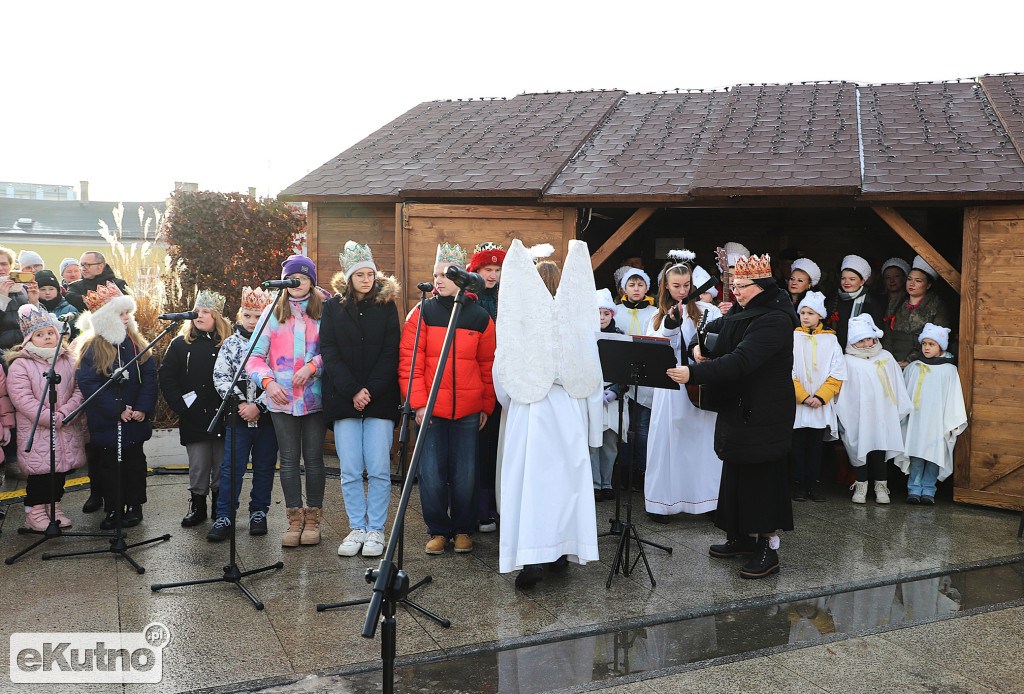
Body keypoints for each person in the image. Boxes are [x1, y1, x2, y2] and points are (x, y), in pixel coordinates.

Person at [667, 254, 798, 580]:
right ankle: (739, 536)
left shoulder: (776, 318)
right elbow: (716, 328)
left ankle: (768, 548)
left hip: (765, 409)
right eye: (733, 285)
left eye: (742, 286)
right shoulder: (745, 308)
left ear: (762, 285)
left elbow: (742, 360)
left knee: (762, 475)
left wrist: (695, 372)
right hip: (739, 404)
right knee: (737, 469)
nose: (735, 292)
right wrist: (702, 346)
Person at [493, 239, 601, 589]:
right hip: (568, 407)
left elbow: (503, 369)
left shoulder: (521, 319)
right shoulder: (578, 319)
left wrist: (513, 403)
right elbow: (592, 369)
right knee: (565, 484)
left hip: (532, 410)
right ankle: (561, 551)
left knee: (531, 485)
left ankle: (531, 559)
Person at [399, 242, 495, 555]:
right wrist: (419, 403)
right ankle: (439, 530)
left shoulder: (480, 317)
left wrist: (486, 404)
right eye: (435, 274)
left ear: (461, 278)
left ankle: (464, 530)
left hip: (468, 410)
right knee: (432, 474)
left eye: (445, 275)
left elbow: (488, 366)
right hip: (431, 410)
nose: (438, 280)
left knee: (466, 474)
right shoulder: (423, 313)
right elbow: (410, 362)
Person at [321, 241, 401, 559]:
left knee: (380, 468)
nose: (367, 279)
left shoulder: (387, 306)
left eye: (370, 274)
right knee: (351, 468)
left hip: (379, 399)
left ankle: (376, 530)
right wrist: (353, 389)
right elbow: (330, 351)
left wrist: (371, 389)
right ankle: (357, 527)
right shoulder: (332, 308)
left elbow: (390, 351)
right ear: (349, 276)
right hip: (345, 399)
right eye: (360, 274)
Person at [246, 255, 326, 548]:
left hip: (315, 399)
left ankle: (314, 518)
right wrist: (267, 382)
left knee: (314, 460)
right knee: (289, 460)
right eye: (292, 278)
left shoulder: (326, 310)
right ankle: (295, 519)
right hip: (281, 400)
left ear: (312, 281)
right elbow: (253, 357)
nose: (298, 283)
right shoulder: (271, 312)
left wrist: (313, 366)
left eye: (303, 278)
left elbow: (336, 350)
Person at [645, 255, 722, 522]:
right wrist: (670, 323)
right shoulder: (657, 316)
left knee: (703, 443)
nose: (683, 291)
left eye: (687, 285)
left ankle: (707, 502)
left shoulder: (708, 311)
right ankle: (663, 504)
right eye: (676, 286)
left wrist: (705, 353)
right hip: (672, 387)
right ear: (666, 286)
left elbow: (719, 341)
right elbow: (658, 347)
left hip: (701, 383)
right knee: (670, 443)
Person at [76, 281, 157, 529]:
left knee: (134, 465)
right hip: (108, 421)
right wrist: (117, 409)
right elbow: (89, 384)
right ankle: (113, 508)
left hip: (134, 420)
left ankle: (134, 506)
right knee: (109, 467)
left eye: (127, 313)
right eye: (119, 314)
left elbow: (150, 377)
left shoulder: (137, 343)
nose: (125, 318)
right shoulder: (92, 347)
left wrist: (141, 408)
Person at [5, 305, 86, 530]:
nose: (47, 338)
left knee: (60, 471)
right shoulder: (22, 363)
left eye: (50, 333)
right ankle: (34, 512)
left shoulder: (68, 359)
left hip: (65, 425)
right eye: (40, 335)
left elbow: (79, 389)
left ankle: (54, 506)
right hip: (38, 429)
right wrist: (50, 418)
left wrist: (65, 414)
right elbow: (22, 398)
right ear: (30, 338)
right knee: (40, 472)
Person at [208, 287, 279, 541]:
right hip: (237, 417)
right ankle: (225, 515)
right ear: (241, 315)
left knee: (264, 466)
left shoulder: (273, 343)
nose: (252, 321)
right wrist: (240, 404)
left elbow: (279, 376)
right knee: (231, 468)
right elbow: (220, 376)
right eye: (248, 315)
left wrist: (259, 406)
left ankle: (258, 512)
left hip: (267, 417)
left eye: (258, 316)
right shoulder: (230, 344)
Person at [159, 290, 230, 528]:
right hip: (193, 415)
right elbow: (167, 377)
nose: (200, 316)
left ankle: (221, 507)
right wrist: (180, 406)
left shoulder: (227, 344)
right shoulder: (180, 345)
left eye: (206, 312)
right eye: (197, 311)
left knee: (222, 464)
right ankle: (198, 504)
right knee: (198, 464)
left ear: (217, 316)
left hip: (222, 414)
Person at [833, 314, 912, 504]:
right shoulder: (848, 361)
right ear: (852, 341)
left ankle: (881, 486)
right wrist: (841, 417)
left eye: (868, 339)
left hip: (882, 414)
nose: (866, 344)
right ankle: (861, 485)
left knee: (880, 449)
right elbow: (844, 392)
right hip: (859, 415)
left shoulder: (885, 357)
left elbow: (897, 384)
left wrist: (898, 410)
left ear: (875, 338)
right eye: (860, 340)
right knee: (860, 447)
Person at [895, 324, 967, 504]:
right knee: (917, 454)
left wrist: (950, 420)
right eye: (924, 343)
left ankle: (929, 489)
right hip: (917, 420)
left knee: (935, 455)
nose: (926, 347)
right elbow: (904, 394)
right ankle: (914, 488)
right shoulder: (914, 367)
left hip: (937, 420)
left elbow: (953, 397)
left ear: (941, 347)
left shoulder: (949, 370)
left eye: (932, 344)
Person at [790, 291, 845, 502]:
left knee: (815, 446)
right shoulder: (793, 337)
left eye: (810, 313)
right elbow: (789, 370)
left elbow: (837, 372)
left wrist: (821, 397)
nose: (805, 317)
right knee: (797, 445)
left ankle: (813, 483)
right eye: (802, 312)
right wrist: (803, 397)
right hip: (799, 403)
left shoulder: (831, 340)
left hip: (820, 404)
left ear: (820, 316)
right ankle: (798, 484)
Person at [468, 241, 506, 533]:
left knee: (498, 444)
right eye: (487, 269)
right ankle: (477, 508)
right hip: (475, 377)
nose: (492, 275)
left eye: (497, 269)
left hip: (503, 378)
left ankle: (497, 505)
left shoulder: (509, 295)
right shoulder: (467, 297)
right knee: (477, 446)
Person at [613, 265, 657, 488]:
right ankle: (623, 470)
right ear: (624, 288)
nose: (636, 289)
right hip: (621, 375)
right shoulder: (615, 312)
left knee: (641, 427)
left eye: (640, 285)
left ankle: (641, 470)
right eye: (632, 285)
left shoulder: (654, 313)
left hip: (645, 377)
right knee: (622, 424)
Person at [883, 256, 953, 368]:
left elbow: (937, 339)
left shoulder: (937, 306)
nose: (912, 284)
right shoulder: (895, 303)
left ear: (928, 285)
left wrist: (910, 360)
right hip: (893, 363)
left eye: (918, 281)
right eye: (909, 279)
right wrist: (888, 359)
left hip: (923, 363)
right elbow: (887, 336)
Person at [591, 288, 625, 501]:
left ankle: (607, 482)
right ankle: (594, 484)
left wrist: (615, 390)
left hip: (611, 396)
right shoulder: (586, 336)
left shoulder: (619, 336)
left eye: (606, 313)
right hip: (592, 394)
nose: (602, 318)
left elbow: (625, 367)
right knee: (593, 442)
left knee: (610, 443)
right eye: (598, 313)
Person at [826, 254, 884, 351]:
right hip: (835, 351)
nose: (846, 282)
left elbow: (877, 331)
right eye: (843, 278)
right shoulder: (833, 299)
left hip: (862, 353)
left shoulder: (871, 302)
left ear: (862, 282)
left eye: (852, 279)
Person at [65, 251, 130, 313]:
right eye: (82, 265)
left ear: (101, 266)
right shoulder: (75, 286)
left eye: (87, 265)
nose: (83, 269)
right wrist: (106, 296)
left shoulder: (118, 284)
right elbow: (72, 299)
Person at [1, 245, 30, 355]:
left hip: (23, 350)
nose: (1, 268)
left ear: (10, 265)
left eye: (4, 264)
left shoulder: (22, 288)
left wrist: (33, 302)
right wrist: (2, 298)